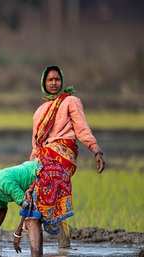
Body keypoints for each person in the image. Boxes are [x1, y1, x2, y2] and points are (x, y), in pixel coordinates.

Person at [31, 65, 105, 247]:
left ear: (62, 81)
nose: (54, 83)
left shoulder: (71, 101)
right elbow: (36, 144)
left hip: (63, 152)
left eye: (57, 79)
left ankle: (55, 226)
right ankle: (55, 240)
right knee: (33, 193)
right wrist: (31, 166)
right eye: (50, 80)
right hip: (45, 154)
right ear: (44, 83)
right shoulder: (40, 111)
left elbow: (81, 128)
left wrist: (95, 149)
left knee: (50, 185)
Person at [0, 157, 73, 257]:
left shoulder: (3, 182)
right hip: (39, 178)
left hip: (46, 173)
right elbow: (2, 210)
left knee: (32, 220)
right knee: (33, 219)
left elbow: (27, 206)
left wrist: (17, 234)